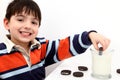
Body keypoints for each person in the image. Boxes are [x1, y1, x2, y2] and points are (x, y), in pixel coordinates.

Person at [0, 0, 110, 80]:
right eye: (20, 19)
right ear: (7, 23)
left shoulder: (41, 46)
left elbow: (66, 45)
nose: (28, 26)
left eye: (34, 22)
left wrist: (89, 36)